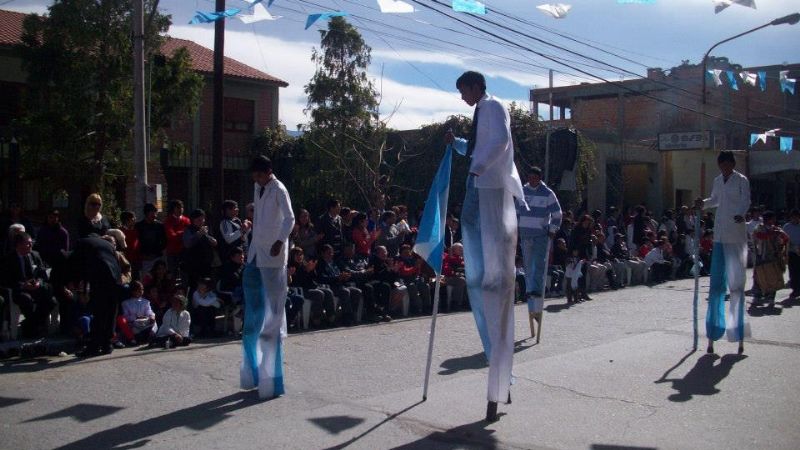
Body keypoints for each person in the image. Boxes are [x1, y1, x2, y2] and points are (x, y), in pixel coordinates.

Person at [445, 70, 524, 421]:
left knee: (492, 281)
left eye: (464, 90)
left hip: (488, 190)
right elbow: (479, 147)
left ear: (475, 87)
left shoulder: (492, 107)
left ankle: (500, 370)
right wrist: (460, 145)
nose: (462, 97)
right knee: (477, 279)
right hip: (477, 188)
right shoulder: (480, 113)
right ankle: (495, 357)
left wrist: (476, 167)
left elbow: (500, 143)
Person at [241, 155, 295, 399]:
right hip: (254, 253)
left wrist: (279, 241)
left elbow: (290, 219)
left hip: (273, 257)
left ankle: (272, 380)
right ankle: (251, 372)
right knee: (252, 317)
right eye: (254, 176)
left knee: (272, 317)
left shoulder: (279, 189)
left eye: (259, 175)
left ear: (268, 172)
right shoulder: (257, 187)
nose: (257, 179)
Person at [694, 150, 751, 354]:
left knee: (736, 286)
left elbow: (746, 202)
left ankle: (738, 333)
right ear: (719, 165)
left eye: (728, 164)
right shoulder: (718, 180)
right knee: (716, 287)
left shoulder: (741, 180)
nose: (726, 168)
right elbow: (715, 200)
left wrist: (741, 214)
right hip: (719, 237)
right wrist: (704, 204)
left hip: (736, 236)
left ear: (733, 164)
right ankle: (713, 332)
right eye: (723, 165)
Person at [517, 166, 562, 334]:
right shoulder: (521, 191)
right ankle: (529, 291)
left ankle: (536, 290)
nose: (532, 180)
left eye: (535, 177)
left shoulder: (547, 193)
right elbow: (515, 211)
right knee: (528, 265)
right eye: (529, 177)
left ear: (539, 178)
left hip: (541, 235)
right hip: (525, 234)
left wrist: (552, 229)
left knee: (539, 264)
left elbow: (557, 214)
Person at [67, 234, 124, 356]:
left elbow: (77, 265)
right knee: (111, 312)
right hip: (115, 278)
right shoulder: (107, 244)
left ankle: (93, 346)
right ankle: (107, 344)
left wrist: (76, 283)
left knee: (99, 313)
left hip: (100, 278)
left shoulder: (80, 243)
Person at [2, 232, 56, 338]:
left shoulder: (35, 255)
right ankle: (33, 329)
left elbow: (42, 273)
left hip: (35, 288)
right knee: (27, 300)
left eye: (31, 243)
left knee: (51, 301)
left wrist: (38, 282)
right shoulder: (8, 259)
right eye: (28, 244)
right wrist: (23, 285)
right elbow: (6, 280)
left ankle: (29, 325)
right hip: (19, 290)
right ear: (19, 245)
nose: (31, 246)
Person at [751, 211, 789, 309]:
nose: (774, 220)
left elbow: (786, 238)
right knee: (759, 277)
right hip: (761, 256)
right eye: (772, 218)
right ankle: (757, 296)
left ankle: (771, 298)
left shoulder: (776, 229)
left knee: (773, 278)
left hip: (773, 257)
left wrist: (780, 236)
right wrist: (772, 233)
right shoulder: (759, 228)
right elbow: (759, 236)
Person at [182, 209, 218, 290]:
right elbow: (187, 244)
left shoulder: (206, 229)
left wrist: (206, 235)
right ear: (193, 220)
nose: (201, 222)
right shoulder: (189, 229)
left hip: (207, 263)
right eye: (199, 220)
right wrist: (198, 234)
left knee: (207, 285)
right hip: (193, 264)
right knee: (194, 286)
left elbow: (215, 242)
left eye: (203, 219)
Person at [116, 281, 156, 346]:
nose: (141, 291)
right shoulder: (126, 303)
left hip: (145, 323)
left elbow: (149, 311)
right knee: (134, 328)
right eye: (139, 290)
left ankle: (150, 336)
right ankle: (137, 338)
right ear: (133, 291)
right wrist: (136, 317)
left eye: (142, 289)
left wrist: (152, 316)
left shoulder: (146, 301)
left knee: (154, 323)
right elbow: (126, 316)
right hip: (134, 324)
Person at [136, 203, 167, 277]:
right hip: (144, 259)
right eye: (152, 212)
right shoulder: (139, 226)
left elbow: (164, 241)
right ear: (146, 213)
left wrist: (158, 253)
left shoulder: (160, 226)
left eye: (155, 212)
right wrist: (143, 255)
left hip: (157, 257)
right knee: (146, 279)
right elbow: (137, 243)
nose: (154, 215)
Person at [164, 200, 191, 276]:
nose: (180, 209)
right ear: (173, 209)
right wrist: (183, 232)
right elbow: (171, 236)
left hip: (184, 251)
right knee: (172, 274)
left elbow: (189, 235)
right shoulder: (168, 221)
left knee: (184, 274)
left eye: (182, 207)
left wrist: (179, 233)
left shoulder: (187, 220)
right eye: (178, 208)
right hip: (172, 252)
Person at [443, 243, 467, 311]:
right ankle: (455, 303)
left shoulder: (461, 258)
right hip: (449, 277)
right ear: (454, 250)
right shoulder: (448, 257)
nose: (462, 250)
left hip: (459, 277)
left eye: (462, 249)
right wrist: (456, 273)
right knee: (461, 280)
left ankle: (466, 302)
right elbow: (446, 269)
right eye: (459, 249)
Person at [119, 211, 142, 280]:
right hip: (125, 262)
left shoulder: (135, 231)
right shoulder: (120, 232)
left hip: (135, 261)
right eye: (133, 218)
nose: (135, 219)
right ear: (127, 220)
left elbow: (137, 246)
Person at [784, 209, 800, 300]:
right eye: (793, 217)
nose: (795, 219)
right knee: (793, 271)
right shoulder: (787, 227)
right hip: (791, 252)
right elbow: (783, 239)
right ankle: (795, 289)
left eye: (797, 217)